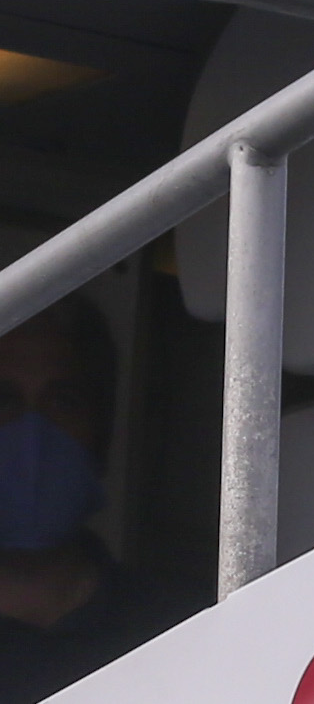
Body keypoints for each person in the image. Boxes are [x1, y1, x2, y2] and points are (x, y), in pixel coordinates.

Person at [0, 295, 192, 704]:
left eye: (63, 402)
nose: (32, 436)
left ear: (100, 437)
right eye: (4, 401)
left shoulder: (179, 629)